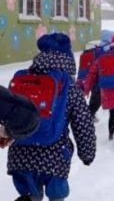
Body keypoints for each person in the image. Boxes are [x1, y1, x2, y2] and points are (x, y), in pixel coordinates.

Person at [7, 33, 96, 201]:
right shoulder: (69, 87)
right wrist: (87, 154)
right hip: (54, 157)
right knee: (56, 196)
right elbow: (83, 123)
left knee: (30, 195)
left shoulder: (23, 79)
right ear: (68, 59)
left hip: (20, 154)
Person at [77, 29, 114, 121]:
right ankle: (89, 116)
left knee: (95, 98)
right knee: (97, 100)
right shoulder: (108, 49)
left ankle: (89, 114)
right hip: (101, 79)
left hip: (93, 78)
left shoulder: (97, 48)